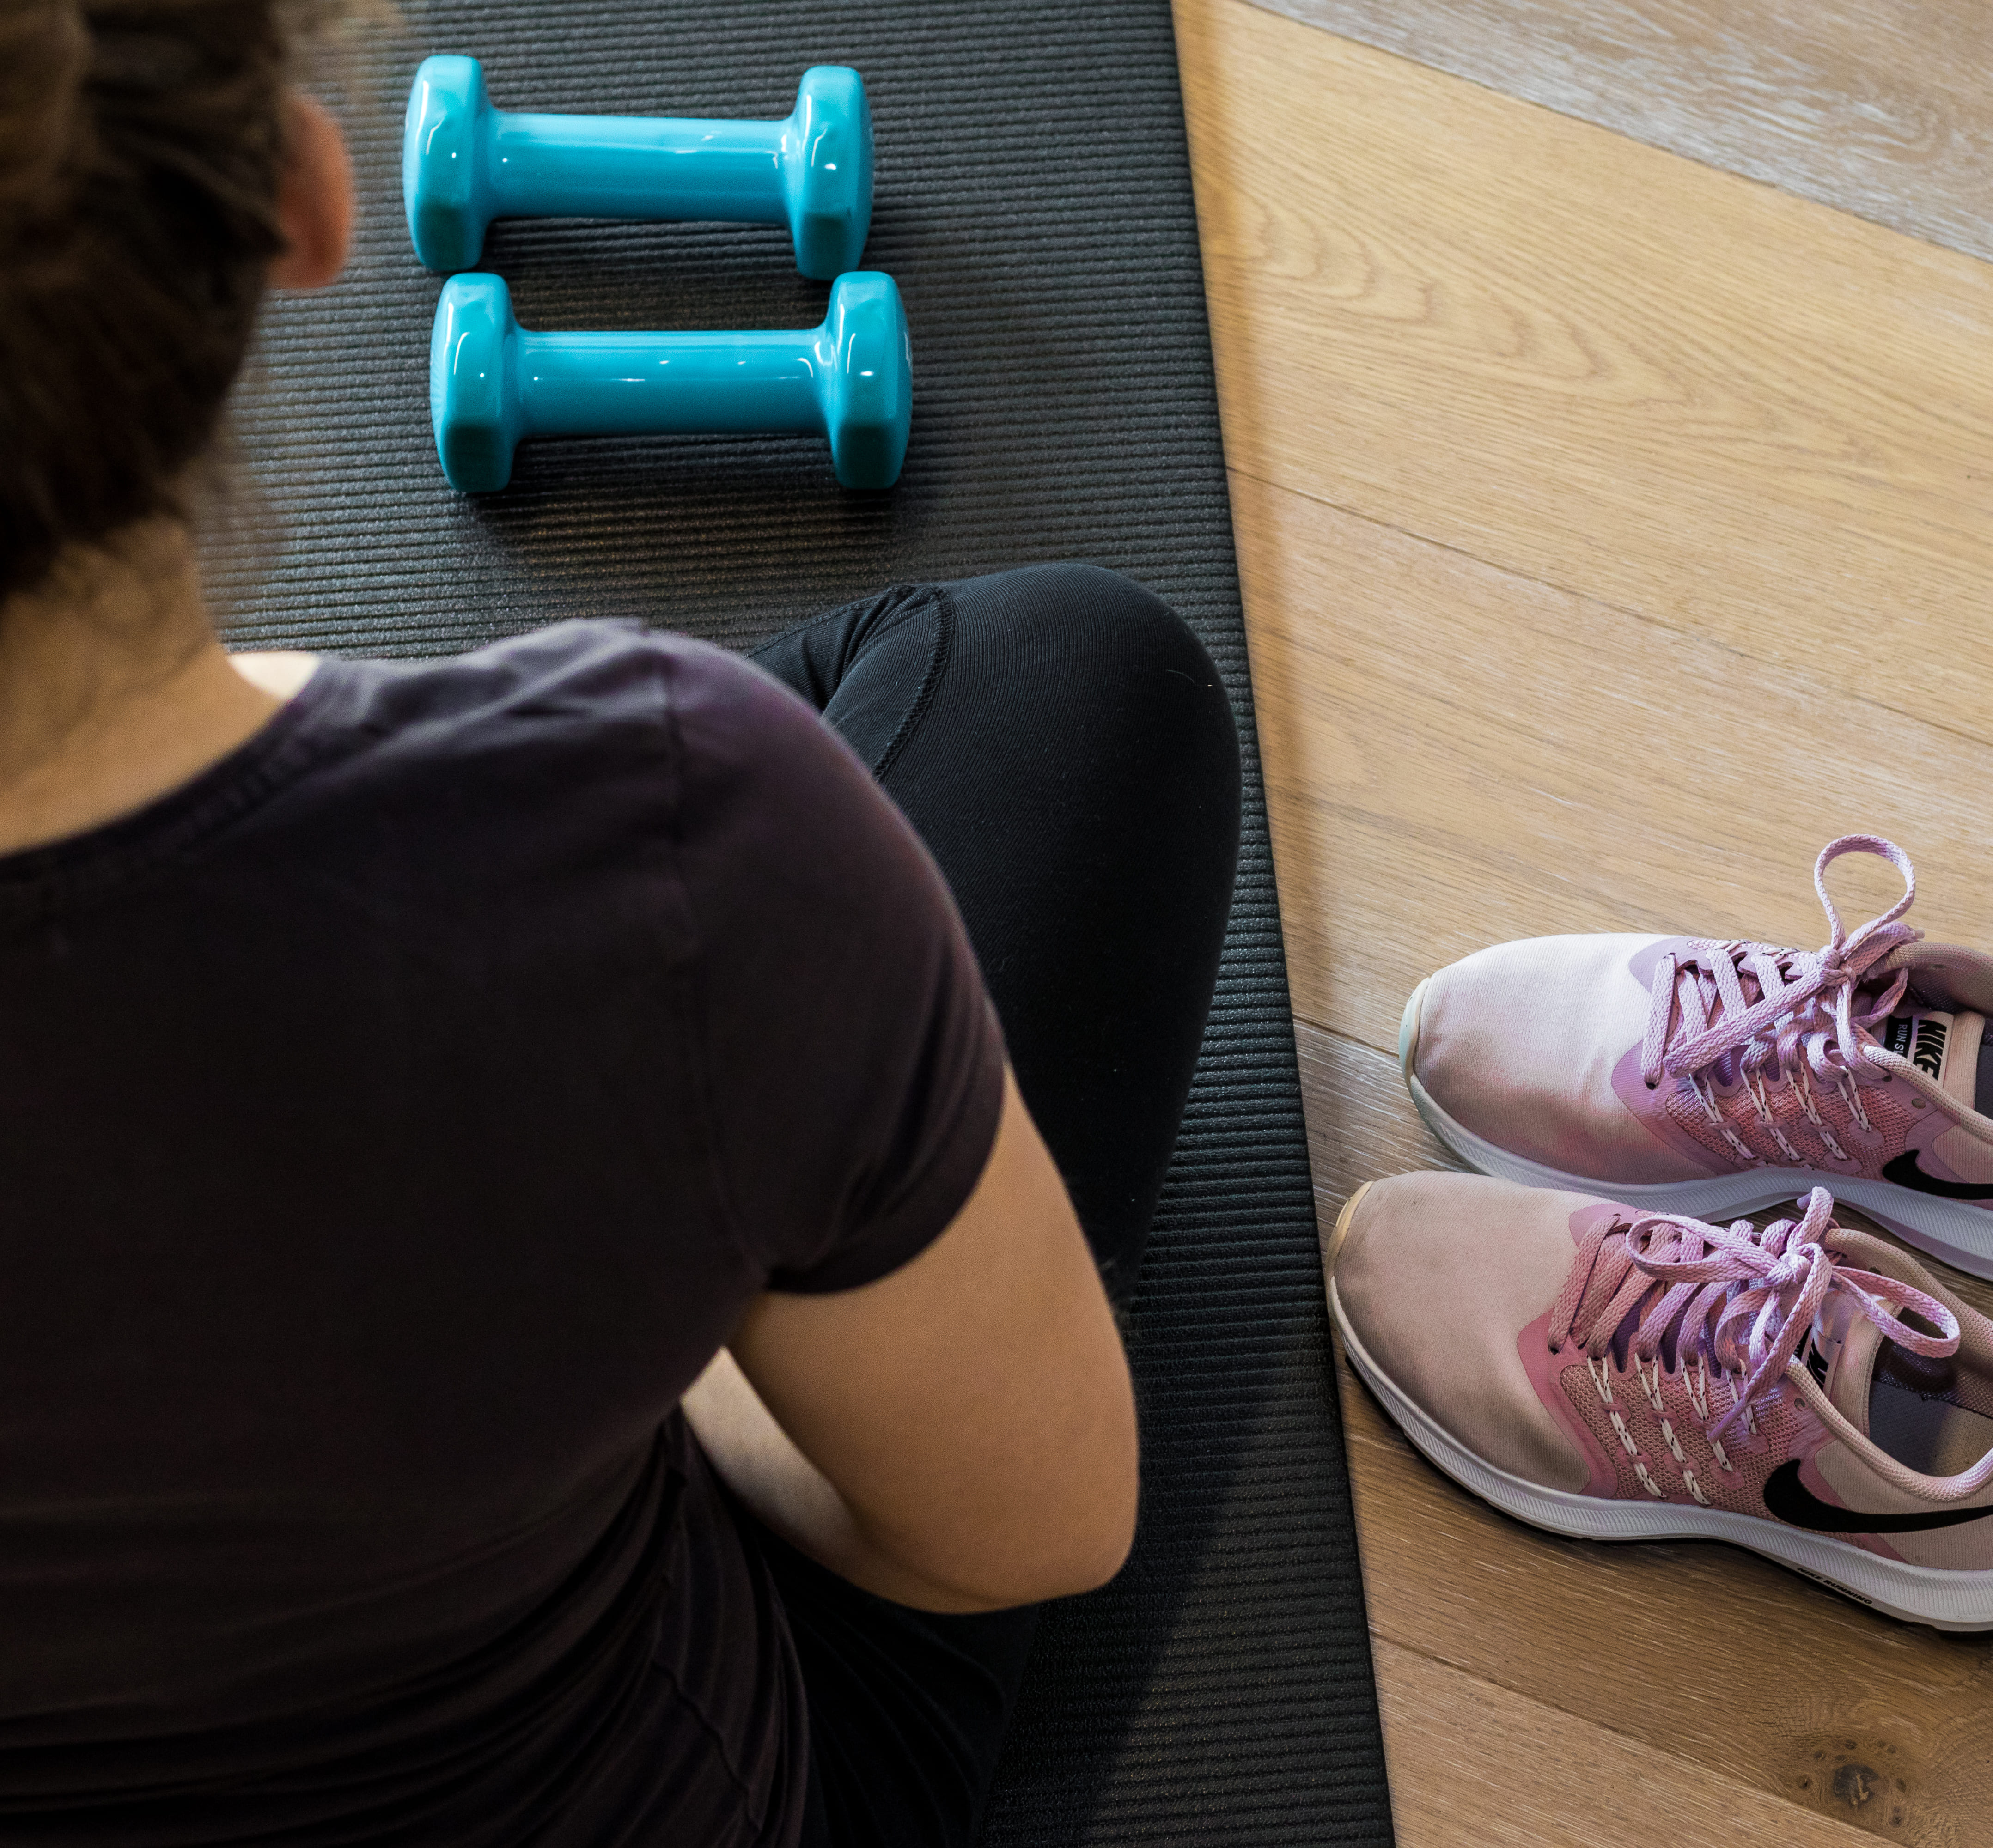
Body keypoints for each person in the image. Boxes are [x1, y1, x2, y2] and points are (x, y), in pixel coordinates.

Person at [0, 3, 1243, 1843]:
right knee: (1074, 682)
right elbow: (1032, 1525)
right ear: (302, 201)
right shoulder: (677, 836)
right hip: (693, 1774)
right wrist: (660, 1303)